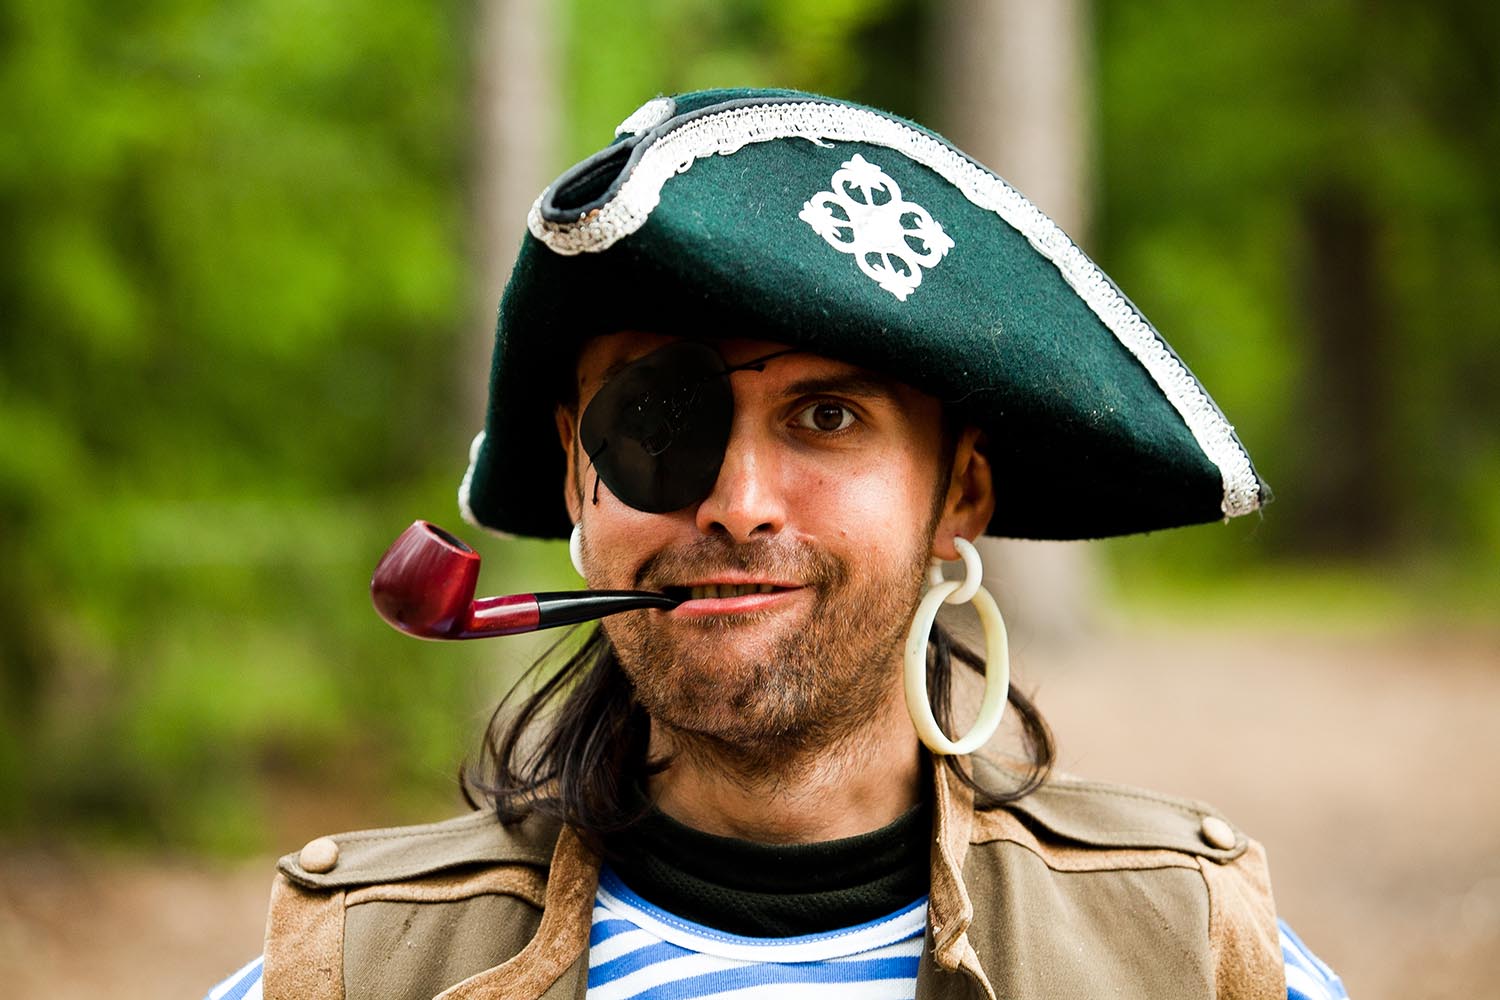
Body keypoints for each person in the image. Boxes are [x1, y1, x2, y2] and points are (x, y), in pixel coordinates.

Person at [208, 89, 1349, 1000]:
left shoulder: (1187, 954)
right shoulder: (353, 970)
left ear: (960, 491)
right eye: (658, 419)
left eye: (827, 416)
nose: (739, 504)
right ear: (573, 477)